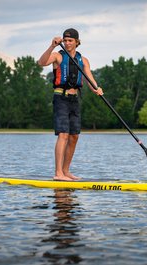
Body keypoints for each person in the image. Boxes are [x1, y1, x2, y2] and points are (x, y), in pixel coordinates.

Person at [38, 28, 103, 181]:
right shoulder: (57, 56)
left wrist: (96, 88)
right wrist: (52, 46)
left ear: (77, 42)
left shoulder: (83, 60)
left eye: (70, 41)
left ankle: (66, 171)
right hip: (61, 98)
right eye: (65, 40)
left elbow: (89, 78)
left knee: (74, 136)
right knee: (63, 134)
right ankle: (58, 173)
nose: (67, 43)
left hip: (74, 100)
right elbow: (41, 63)